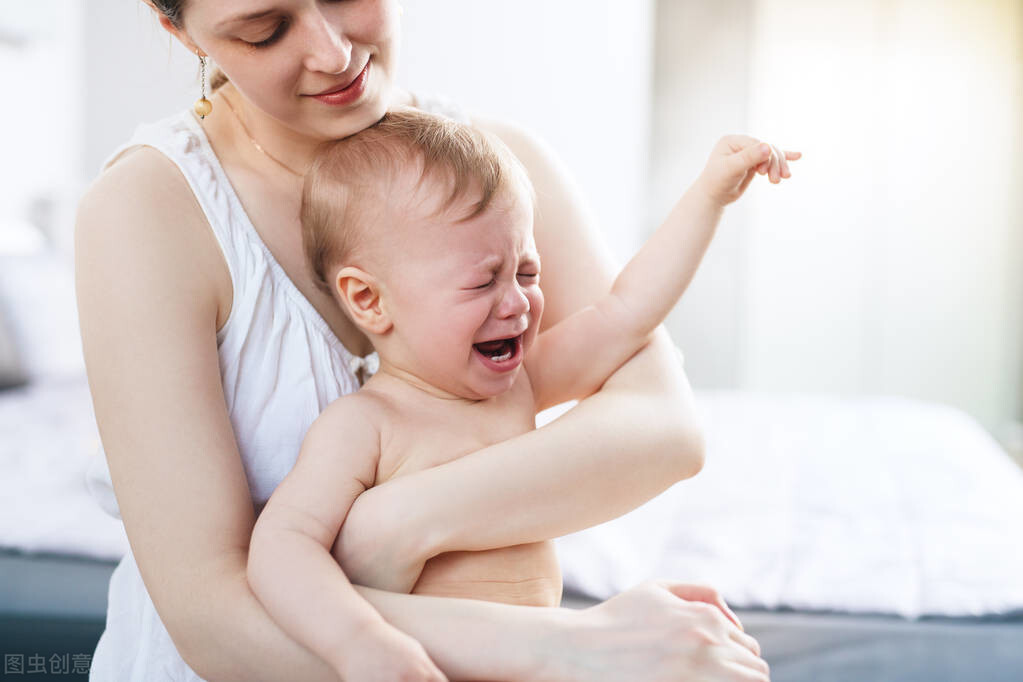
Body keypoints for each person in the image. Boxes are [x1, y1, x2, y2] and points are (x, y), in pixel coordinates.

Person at [75, 1, 790, 680]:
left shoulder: (495, 168)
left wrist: (393, 524)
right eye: (264, 29)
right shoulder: (148, 210)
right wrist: (574, 649)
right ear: (182, 32)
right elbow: (214, 618)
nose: (332, 52)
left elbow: (660, 418)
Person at [247, 108, 797, 681]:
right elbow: (282, 547)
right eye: (483, 281)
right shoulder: (365, 424)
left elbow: (627, 310)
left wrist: (709, 196)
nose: (516, 303)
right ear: (369, 300)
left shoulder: (519, 384)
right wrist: (359, 641)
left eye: (528, 273)